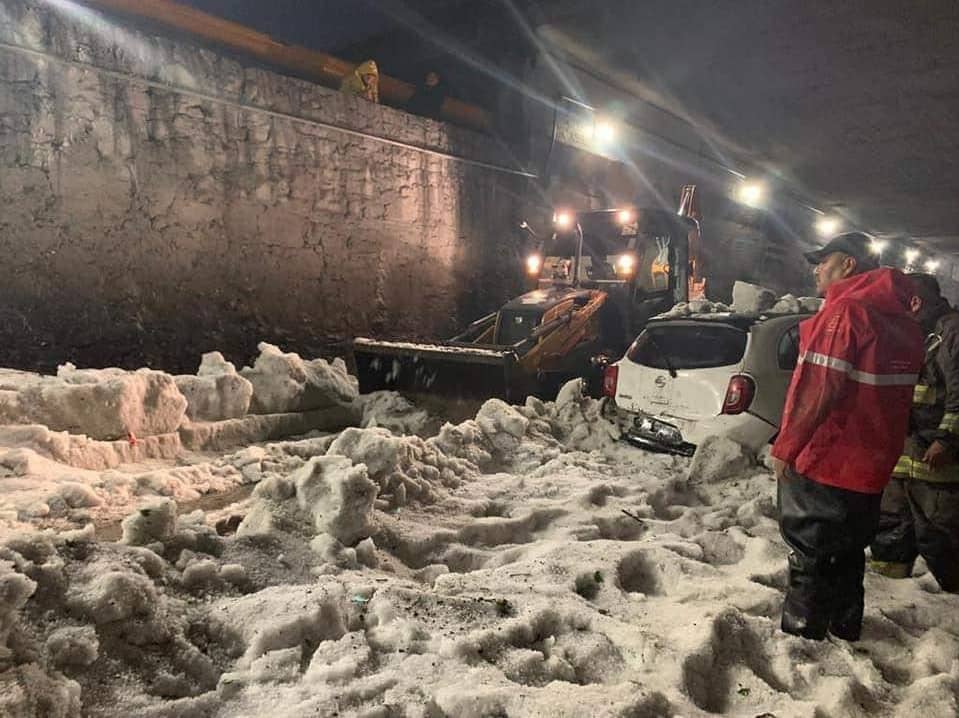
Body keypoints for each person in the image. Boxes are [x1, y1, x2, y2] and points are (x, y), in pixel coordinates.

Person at [770, 231, 923, 641]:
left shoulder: (847, 312)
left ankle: (803, 637)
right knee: (849, 550)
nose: (816, 268)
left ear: (849, 264)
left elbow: (817, 387)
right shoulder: (901, 321)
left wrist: (786, 448)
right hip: (872, 465)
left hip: (829, 458)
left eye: (824, 260)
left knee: (810, 551)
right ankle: (844, 626)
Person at [870, 274, 959, 591]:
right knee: (891, 525)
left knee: (941, 533)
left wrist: (945, 439)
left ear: (916, 302)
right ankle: (891, 592)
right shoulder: (913, 332)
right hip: (903, 454)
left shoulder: (951, 333)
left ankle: (950, 605)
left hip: (937, 460)